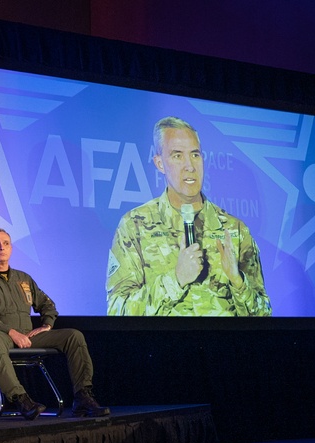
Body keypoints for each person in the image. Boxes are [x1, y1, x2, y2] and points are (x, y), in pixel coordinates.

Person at [106, 116, 271, 316]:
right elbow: (117, 312)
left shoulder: (234, 229)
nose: (190, 166)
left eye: (195, 155)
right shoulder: (134, 226)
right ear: (159, 163)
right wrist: (175, 279)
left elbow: (264, 316)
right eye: (177, 156)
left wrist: (238, 282)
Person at [0, 228, 109, 419]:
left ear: (11, 248)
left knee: (74, 336)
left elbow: (47, 305)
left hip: (27, 336)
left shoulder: (23, 278)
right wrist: (10, 332)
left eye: (6, 243)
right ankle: (21, 399)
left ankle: (83, 397)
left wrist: (46, 325)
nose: (1, 247)